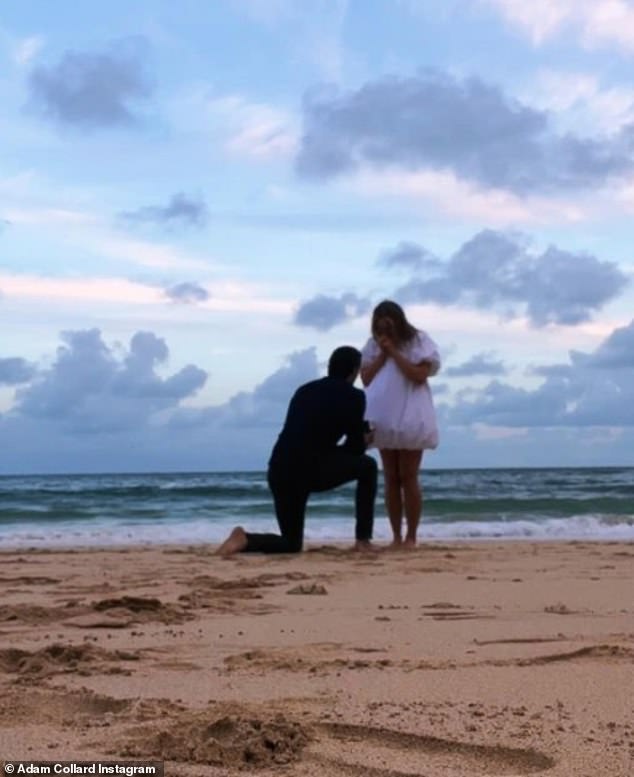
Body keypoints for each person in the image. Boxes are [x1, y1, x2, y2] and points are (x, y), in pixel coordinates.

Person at [216, 346, 378, 556]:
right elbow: (354, 449)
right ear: (354, 371)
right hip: (310, 469)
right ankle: (363, 540)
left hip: (279, 469)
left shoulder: (304, 390)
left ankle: (245, 539)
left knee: (291, 544)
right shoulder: (354, 396)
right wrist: (366, 439)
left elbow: (305, 433)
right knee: (368, 466)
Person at [360, 300, 440, 549]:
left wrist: (394, 352)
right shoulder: (373, 346)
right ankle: (396, 536)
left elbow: (419, 375)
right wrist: (383, 353)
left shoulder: (418, 340)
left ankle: (411, 536)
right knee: (391, 477)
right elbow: (366, 378)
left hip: (410, 414)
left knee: (409, 476)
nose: (384, 331)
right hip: (383, 415)